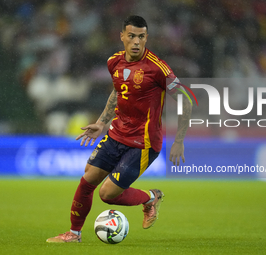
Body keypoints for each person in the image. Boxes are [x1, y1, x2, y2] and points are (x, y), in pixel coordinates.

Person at [46, 15, 192, 243]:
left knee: (107, 195)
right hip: (116, 134)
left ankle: (151, 197)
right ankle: (74, 235)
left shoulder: (157, 68)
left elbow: (187, 100)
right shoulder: (114, 62)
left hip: (143, 143)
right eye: (132, 36)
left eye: (141, 37)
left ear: (146, 38)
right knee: (87, 180)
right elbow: (117, 90)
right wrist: (102, 122)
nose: (136, 41)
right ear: (122, 36)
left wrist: (179, 140)